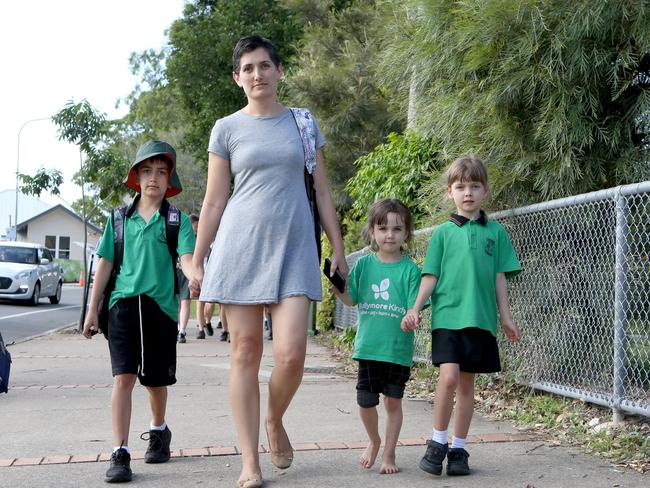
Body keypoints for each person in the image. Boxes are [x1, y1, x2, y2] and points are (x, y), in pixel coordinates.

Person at [191, 35, 347, 488]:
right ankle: (249, 461)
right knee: (244, 352)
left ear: (279, 70)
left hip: (295, 249)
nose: (257, 74)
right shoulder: (225, 128)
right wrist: (199, 260)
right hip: (239, 249)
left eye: (264, 65)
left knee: (292, 354)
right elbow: (216, 201)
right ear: (237, 77)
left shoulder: (302, 123)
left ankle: (274, 419)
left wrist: (337, 247)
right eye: (248, 68)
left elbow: (321, 191)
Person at [83, 141, 196, 483]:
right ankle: (120, 453)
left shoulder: (176, 220)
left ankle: (159, 430)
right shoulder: (118, 219)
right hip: (122, 308)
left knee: (155, 381)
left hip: (161, 310)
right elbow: (104, 264)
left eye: (162, 172)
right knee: (123, 378)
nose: (154, 178)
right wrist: (92, 310)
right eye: (147, 171)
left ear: (169, 179)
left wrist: (196, 278)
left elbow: (187, 259)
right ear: (136, 177)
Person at [402, 155, 522, 477]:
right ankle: (437, 441)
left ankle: (458, 448)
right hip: (447, 318)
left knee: (467, 385)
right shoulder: (442, 233)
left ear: (485, 191)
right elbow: (431, 276)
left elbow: (499, 278)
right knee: (449, 377)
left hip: (480, 319)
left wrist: (506, 318)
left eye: (474, 186)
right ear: (449, 192)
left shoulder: (496, 233)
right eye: (460, 187)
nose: (467, 192)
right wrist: (415, 308)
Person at [332, 198, 421, 475]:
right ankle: (374, 440)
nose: (389, 234)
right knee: (365, 401)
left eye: (397, 229)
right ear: (372, 231)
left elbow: (413, 308)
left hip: (396, 349)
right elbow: (351, 299)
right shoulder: (363, 266)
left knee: (393, 402)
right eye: (383, 228)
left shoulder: (410, 270)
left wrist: (411, 316)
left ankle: (389, 454)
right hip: (369, 347)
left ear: (406, 233)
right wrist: (337, 287)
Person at [178, 214, 208, 342]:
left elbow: (205, 253)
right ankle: (177, 327)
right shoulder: (178, 233)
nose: (196, 228)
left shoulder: (199, 239)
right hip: (175, 270)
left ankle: (182, 331)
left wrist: (195, 276)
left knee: (186, 302)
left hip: (189, 271)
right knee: (176, 303)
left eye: (197, 226)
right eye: (195, 226)